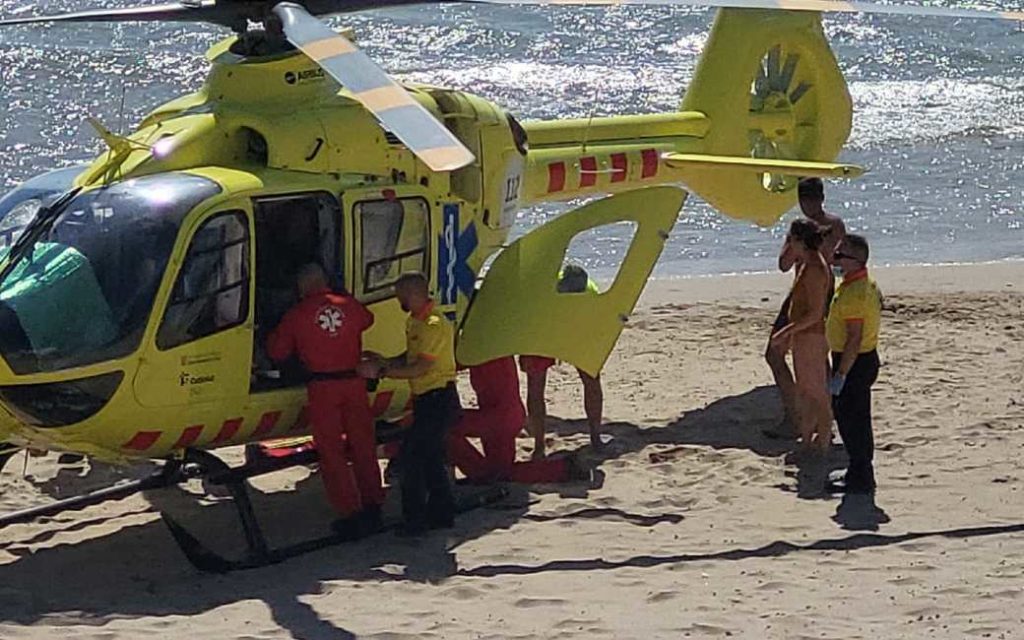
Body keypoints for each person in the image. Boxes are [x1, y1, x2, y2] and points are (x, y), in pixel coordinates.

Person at [266, 263, 383, 538]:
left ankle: (350, 513)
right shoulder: (349, 305)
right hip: (354, 383)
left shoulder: (296, 315)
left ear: (301, 287)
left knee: (332, 453)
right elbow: (368, 319)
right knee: (364, 445)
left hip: (323, 388)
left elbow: (277, 351)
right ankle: (374, 505)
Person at [365, 272, 459, 537]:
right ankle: (443, 512)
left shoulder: (433, 324)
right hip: (425, 398)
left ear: (413, 294)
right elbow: (410, 357)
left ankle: (415, 521)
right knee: (429, 458)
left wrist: (382, 373)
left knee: (410, 460)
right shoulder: (414, 322)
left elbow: (420, 367)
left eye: (401, 296)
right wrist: (385, 361)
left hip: (438, 397)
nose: (398, 301)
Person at [765, 177, 846, 435]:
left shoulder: (833, 225)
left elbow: (840, 262)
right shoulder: (798, 228)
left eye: (812, 200)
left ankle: (820, 419)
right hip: (799, 291)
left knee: (819, 361)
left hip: (821, 290)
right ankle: (795, 414)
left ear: (821, 199)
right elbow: (784, 264)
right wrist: (792, 242)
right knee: (775, 354)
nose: (808, 205)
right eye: (804, 200)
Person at [449, 356, 579, 484]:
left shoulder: (478, 350)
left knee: (444, 428)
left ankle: (480, 474)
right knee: (504, 472)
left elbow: (451, 364)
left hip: (498, 418)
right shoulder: (494, 348)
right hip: (506, 415)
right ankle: (563, 468)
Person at [520, 264, 603, 459]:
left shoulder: (590, 293)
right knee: (535, 385)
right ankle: (539, 445)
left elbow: (597, 323)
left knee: (591, 379)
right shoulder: (544, 290)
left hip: (576, 328)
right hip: (542, 326)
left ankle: (596, 437)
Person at [770, 220, 833, 454]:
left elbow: (816, 313)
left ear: (798, 241)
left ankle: (823, 444)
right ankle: (807, 441)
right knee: (805, 391)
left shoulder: (816, 268)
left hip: (812, 336)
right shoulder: (807, 264)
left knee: (817, 393)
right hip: (803, 335)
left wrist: (787, 331)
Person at [826, 234, 883, 494]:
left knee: (852, 419)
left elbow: (854, 338)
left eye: (839, 255)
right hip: (856, 360)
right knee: (853, 417)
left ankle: (860, 477)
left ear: (855, 261)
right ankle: (858, 470)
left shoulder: (856, 293)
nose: (834, 259)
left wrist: (841, 374)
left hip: (855, 362)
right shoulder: (854, 284)